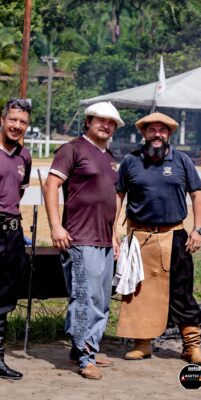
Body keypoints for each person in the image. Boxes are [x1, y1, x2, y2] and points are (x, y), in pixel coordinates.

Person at [114, 112, 201, 365]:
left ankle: (191, 346)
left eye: (162, 130)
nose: (157, 134)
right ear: (144, 133)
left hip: (174, 236)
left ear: (169, 134)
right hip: (139, 237)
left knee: (182, 291)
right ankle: (142, 344)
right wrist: (113, 231)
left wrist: (198, 229)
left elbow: (197, 195)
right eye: (152, 130)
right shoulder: (131, 161)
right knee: (138, 291)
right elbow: (118, 196)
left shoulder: (182, 161)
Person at [43, 102, 124, 380]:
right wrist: (56, 226)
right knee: (84, 298)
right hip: (79, 237)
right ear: (88, 121)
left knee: (101, 299)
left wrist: (113, 233)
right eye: (101, 120)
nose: (106, 125)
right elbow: (51, 185)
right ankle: (85, 356)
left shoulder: (109, 157)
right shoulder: (72, 149)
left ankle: (86, 348)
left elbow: (114, 197)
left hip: (104, 238)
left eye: (111, 123)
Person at [0, 99, 32, 380]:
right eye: (13, 119)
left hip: (12, 234)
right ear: (2, 119)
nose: (17, 125)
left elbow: (18, 193)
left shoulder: (25, 157)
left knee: (5, 296)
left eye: (22, 122)